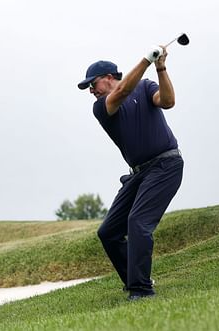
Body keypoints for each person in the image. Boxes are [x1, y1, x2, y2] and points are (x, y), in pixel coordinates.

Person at [77, 46, 184, 301]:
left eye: (92, 84)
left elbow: (168, 101)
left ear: (109, 77)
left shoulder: (145, 87)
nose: (91, 91)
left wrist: (160, 68)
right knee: (108, 232)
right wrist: (147, 59)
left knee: (138, 222)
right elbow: (123, 90)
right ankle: (134, 279)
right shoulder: (102, 107)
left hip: (166, 165)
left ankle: (141, 289)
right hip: (139, 173)